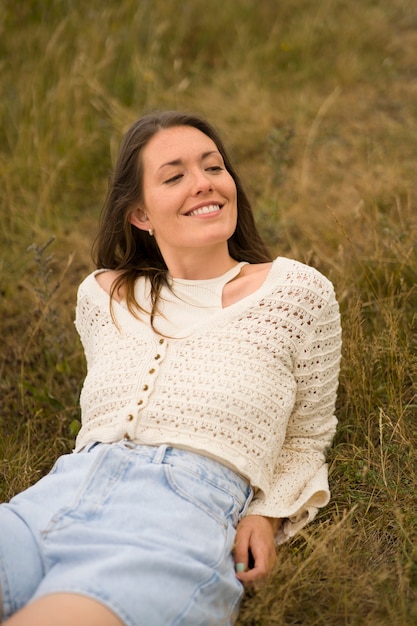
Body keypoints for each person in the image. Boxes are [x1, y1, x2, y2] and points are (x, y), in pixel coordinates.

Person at [0, 110, 342, 626]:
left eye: (213, 167)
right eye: (175, 175)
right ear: (139, 213)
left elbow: (307, 434)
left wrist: (266, 513)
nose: (204, 185)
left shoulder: (294, 293)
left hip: (177, 516)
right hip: (55, 495)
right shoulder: (101, 295)